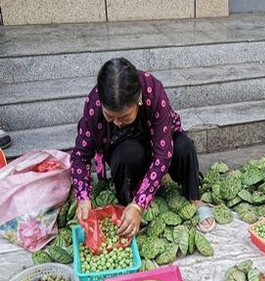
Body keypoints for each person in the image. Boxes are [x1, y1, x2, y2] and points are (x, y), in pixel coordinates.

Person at [70, 58, 216, 238]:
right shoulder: (94, 105)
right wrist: (83, 196)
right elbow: (80, 156)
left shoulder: (154, 92)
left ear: (139, 99)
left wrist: (140, 204)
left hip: (159, 145)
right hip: (125, 150)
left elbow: (163, 155)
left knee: (184, 146)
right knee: (127, 154)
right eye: (110, 116)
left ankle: (194, 198)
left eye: (123, 117)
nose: (116, 122)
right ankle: (127, 204)